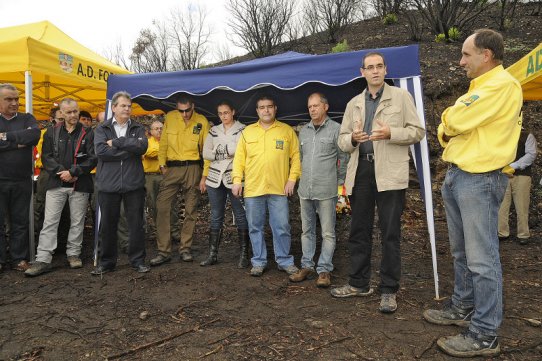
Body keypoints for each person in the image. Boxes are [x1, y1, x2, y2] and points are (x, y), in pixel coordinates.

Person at [423, 29, 522, 358]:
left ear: (487, 56)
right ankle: (463, 307)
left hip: (480, 178)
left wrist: (450, 118)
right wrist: (451, 121)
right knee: (462, 252)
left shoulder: (502, 85)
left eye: (466, 54)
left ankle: (485, 332)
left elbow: (452, 123)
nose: (460, 60)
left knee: (482, 258)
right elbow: (447, 130)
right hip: (459, 175)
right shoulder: (479, 88)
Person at [331, 52, 425, 314]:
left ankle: (388, 290)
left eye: (379, 66)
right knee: (358, 230)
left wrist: (391, 133)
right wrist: (353, 138)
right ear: (362, 72)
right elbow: (341, 140)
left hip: (390, 173)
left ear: (385, 70)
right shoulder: (353, 103)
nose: (374, 71)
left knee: (390, 233)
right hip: (360, 170)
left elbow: (418, 132)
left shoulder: (401, 97)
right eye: (369, 67)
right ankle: (358, 283)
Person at [25, 98, 97, 276]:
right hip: (56, 182)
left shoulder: (89, 133)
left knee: (77, 221)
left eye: (75, 111)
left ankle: (73, 254)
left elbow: (92, 157)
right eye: (69, 112)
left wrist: (74, 172)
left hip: (80, 183)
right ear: (61, 114)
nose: (73, 115)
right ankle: (43, 259)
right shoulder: (51, 132)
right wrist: (62, 172)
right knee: (50, 221)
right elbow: (46, 157)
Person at [232, 95, 301, 277]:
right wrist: (237, 180)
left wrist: (292, 179)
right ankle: (259, 261)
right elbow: (239, 159)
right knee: (255, 226)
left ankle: (284, 260)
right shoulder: (248, 132)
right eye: (262, 107)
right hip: (254, 189)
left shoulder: (286, 131)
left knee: (282, 226)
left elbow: (296, 157)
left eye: (269, 106)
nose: (266, 110)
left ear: (275, 108)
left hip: (279, 188)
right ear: (257, 111)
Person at [288, 93, 348, 288]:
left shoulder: (336, 129)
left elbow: (343, 158)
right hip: (305, 189)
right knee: (307, 230)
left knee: (328, 232)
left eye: (316, 106)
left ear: (325, 107)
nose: (312, 109)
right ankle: (307, 265)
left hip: (327, 189)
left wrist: (338, 182)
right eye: (310, 106)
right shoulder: (303, 131)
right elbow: (301, 159)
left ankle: (324, 269)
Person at [91, 91, 150, 275]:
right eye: (123, 105)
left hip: (133, 184)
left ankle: (138, 260)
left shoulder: (138, 128)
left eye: (129, 106)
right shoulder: (102, 129)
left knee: (136, 224)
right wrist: (128, 148)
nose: (127, 108)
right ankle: (107, 262)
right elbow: (101, 153)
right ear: (114, 107)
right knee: (108, 224)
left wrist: (117, 142)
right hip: (108, 184)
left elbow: (142, 147)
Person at [150, 96, 210, 265]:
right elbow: (163, 144)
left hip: (193, 168)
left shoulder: (202, 121)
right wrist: (162, 164)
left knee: (190, 209)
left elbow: (207, 151)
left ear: (193, 107)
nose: (184, 114)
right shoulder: (170, 117)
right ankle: (163, 251)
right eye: (180, 110)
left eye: (187, 110)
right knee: (162, 206)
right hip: (172, 168)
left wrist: (204, 176)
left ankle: (185, 248)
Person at [200, 100, 249, 268]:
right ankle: (212, 254)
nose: (223, 116)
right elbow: (205, 153)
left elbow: (241, 150)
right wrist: (228, 151)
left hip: (235, 177)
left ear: (233, 111)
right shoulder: (214, 130)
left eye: (226, 113)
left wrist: (219, 150)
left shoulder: (243, 129)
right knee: (216, 215)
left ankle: (244, 255)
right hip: (214, 178)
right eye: (220, 113)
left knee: (240, 215)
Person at [0, 83, 41, 272]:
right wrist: (17, 142)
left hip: (22, 179)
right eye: (9, 99)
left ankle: (18, 258)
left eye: (16, 99)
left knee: (20, 222)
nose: (15, 102)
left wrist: (5, 138)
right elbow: (24, 139)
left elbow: (33, 136)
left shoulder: (27, 118)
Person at [498, 129, 537, 245]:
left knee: (522, 205)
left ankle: (523, 234)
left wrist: (513, 166)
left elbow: (531, 154)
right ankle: (501, 232)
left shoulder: (527, 135)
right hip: (502, 175)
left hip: (522, 176)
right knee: (501, 205)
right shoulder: (501, 133)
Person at [143, 120, 164, 228]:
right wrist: (164, 152)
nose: (159, 131)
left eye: (161, 128)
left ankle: (174, 230)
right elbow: (150, 153)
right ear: (151, 131)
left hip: (166, 176)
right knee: (154, 203)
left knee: (171, 203)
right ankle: (159, 228)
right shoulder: (147, 142)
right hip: (151, 177)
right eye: (156, 129)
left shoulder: (167, 141)